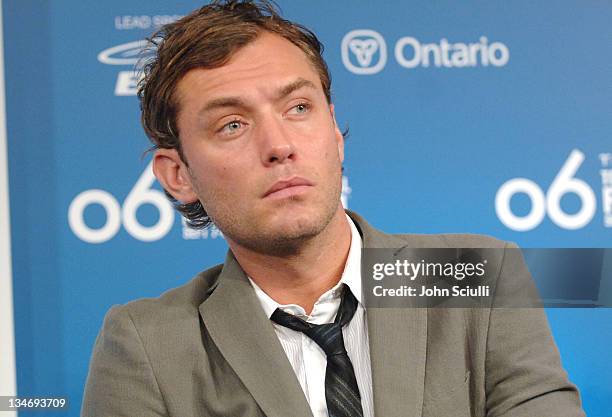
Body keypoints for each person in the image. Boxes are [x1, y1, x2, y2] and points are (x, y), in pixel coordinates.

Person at [82, 1, 585, 416]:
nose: (279, 145)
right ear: (179, 175)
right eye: (232, 124)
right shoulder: (149, 345)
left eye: (298, 108)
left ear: (335, 131)